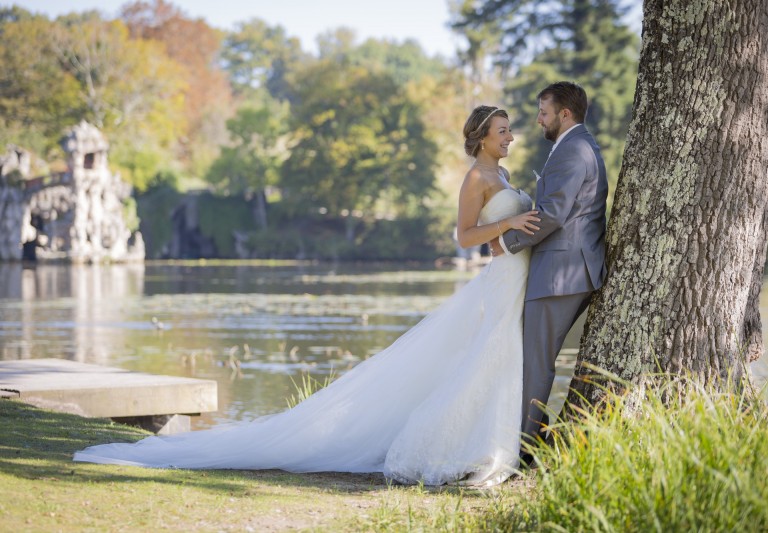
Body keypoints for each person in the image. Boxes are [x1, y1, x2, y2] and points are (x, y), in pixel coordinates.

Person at [74, 105, 540, 487]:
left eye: (510, 131)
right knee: (490, 357)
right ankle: (469, 449)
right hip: (499, 280)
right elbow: (464, 237)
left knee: (495, 360)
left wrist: (519, 226)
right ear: (481, 137)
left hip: (512, 279)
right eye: (503, 131)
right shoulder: (476, 179)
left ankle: (489, 445)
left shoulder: (503, 175)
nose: (511, 137)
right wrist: (508, 224)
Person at [490, 81, 608, 460]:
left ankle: (524, 450)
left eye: (544, 112)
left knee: (535, 362)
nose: (539, 120)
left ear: (565, 114)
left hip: (561, 272)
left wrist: (507, 243)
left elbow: (554, 213)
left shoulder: (573, 150)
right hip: (568, 267)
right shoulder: (579, 146)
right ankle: (529, 441)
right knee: (535, 359)